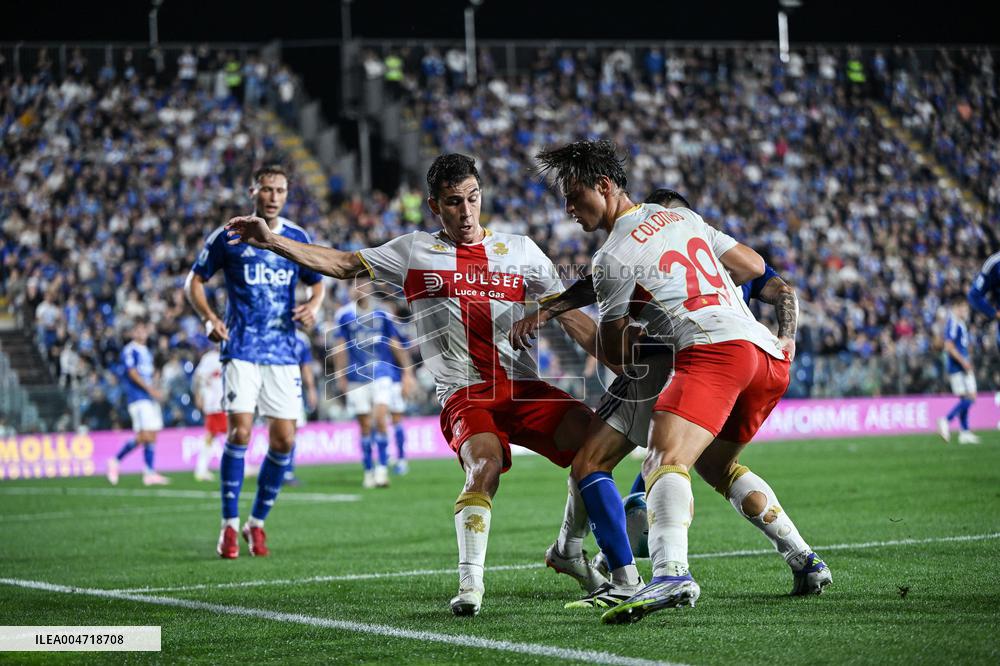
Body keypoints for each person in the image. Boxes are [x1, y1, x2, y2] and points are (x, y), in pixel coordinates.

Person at [224, 153, 609, 617]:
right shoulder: (412, 250)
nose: (466, 212)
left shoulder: (521, 250)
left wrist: (621, 359)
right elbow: (345, 264)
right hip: (465, 393)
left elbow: (570, 317)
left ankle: (567, 550)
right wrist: (273, 242)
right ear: (434, 206)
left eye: (472, 199)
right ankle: (471, 586)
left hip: (523, 387)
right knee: (483, 467)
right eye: (453, 203)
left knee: (598, 444)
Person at [532, 140, 829, 623]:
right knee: (717, 466)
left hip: (712, 351)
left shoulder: (612, 255)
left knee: (662, 461)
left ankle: (670, 573)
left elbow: (614, 357)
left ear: (605, 186)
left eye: (574, 195)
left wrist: (593, 322)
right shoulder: (684, 219)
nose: (568, 209)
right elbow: (754, 266)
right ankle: (804, 559)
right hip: (765, 354)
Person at [184, 164, 326, 559]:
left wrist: (313, 307)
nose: (273, 196)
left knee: (284, 440)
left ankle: (256, 523)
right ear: (253, 192)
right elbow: (194, 281)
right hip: (241, 347)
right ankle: (229, 525)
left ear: (287, 193)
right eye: (266, 189)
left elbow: (318, 282)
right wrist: (209, 318)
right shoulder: (230, 235)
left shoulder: (297, 237)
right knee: (241, 433)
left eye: (280, 189)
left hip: (283, 352)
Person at [331, 281, 414, 488]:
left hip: (382, 373)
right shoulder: (344, 315)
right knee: (365, 426)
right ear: (349, 290)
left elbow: (394, 342)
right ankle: (368, 469)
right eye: (356, 285)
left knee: (380, 419)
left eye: (364, 285)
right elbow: (339, 347)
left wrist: (407, 371)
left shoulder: (382, 313)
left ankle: (382, 470)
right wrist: (339, 375)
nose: (360, 289)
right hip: (356, 377)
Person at [106, 319, 170, 486]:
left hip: (148, 397)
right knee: (144, 435)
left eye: (144, 330)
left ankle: (149, 472)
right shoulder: (130, 350)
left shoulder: (146, 351)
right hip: (137, 397)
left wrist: (156, 384)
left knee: (152, 434)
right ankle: (115, 460)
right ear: (133, 333)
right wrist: (150, 390)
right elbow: (132, 373)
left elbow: (148, 374)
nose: (142, 333)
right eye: (139, 330)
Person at [937, 298, 979, 444]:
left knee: (965, 398)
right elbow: (949, 346)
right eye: (963, 308)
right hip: (957, 367)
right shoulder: (953, 322)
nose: (965, 311)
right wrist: (964, 362)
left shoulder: (959, 322)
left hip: (961, 365)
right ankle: (946, 420)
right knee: (971, 397)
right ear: (957, 308)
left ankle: (965, 432)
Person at [285, 329, 319, 486]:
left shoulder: (301, 339)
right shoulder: (270, 331)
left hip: (294, 389)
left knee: (293, 431)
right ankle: (276, 470)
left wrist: (311, 389)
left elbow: (305, 366)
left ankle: (287, 471)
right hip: (272, 388)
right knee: (278, 431)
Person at [192, 346, 225, 482]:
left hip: (224, 402)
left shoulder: (231, 355)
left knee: (217, 434)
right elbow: (198, 377)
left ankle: (201, 468)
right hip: (213, 403)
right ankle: (201, 469)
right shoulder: (210, 358)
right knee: (213, 434)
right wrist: (199, 395)